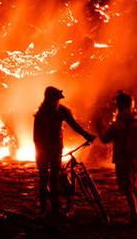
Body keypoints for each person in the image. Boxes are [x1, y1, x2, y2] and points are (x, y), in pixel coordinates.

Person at [32, 86, 92, 217]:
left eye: (57, 99)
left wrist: (86, 135)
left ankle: (54, 207)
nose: (57, 102)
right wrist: (40, 151)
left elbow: (74, 125)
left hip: (55, 149)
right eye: (55, 99)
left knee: (54, 178)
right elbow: (36, 137)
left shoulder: (62, 111)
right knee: (43, 178)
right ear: (49, 98)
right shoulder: (41, 114)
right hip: (43, 150)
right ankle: (43, 207)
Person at [98, 90, 137, 227]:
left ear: (120, 105)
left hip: (122, 160)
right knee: (134, 188)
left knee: (127, 189)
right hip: (134, 160)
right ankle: (136, 216)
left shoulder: (118, 125)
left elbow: (105, 139)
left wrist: (99, 128)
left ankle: (135, 217)